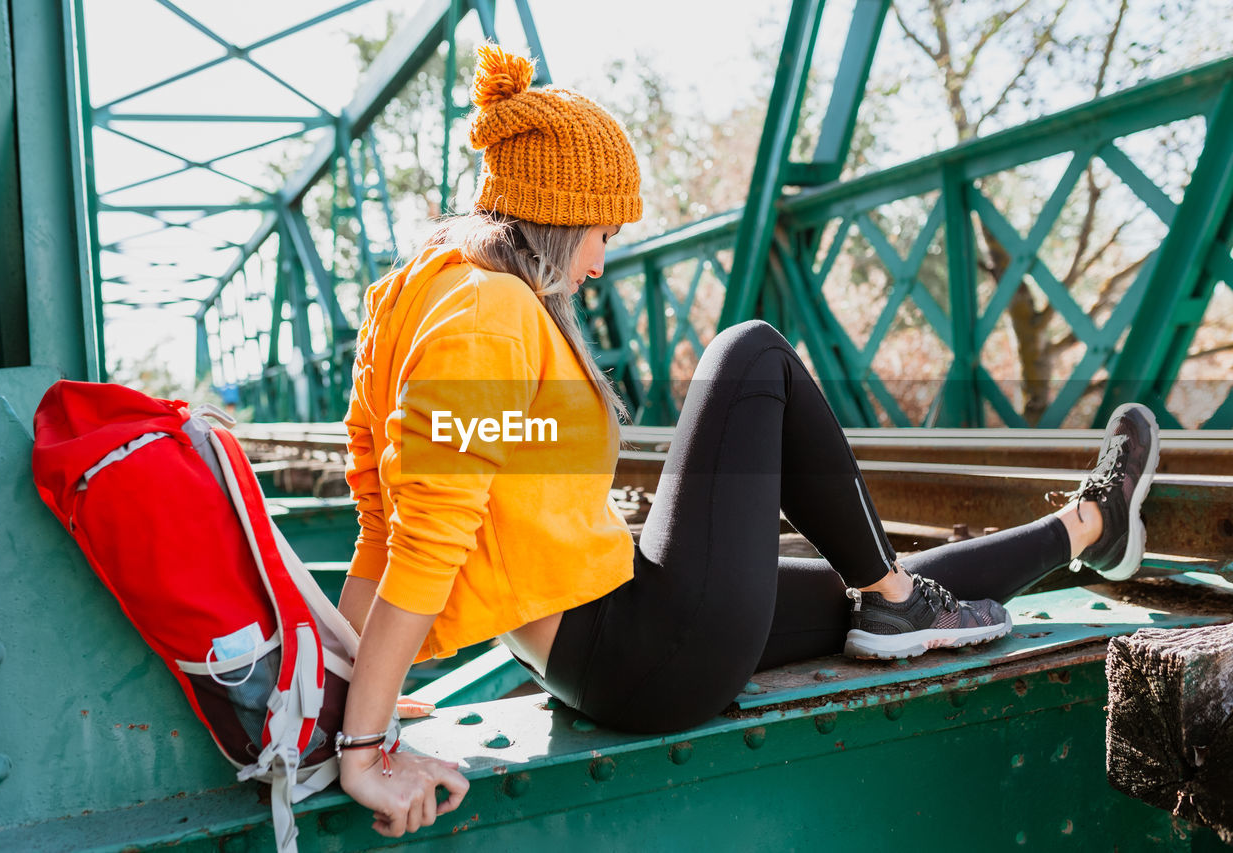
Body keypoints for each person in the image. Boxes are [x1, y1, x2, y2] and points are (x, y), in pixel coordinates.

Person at [332, 43, 1161, 838]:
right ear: (562, 217)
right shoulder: (488, 310)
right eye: (603, 233)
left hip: (606, 636)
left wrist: (350, 685)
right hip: (632, 647)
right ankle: (899, 595)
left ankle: (1091, 525)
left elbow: (379, 517)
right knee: (752, 350)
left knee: (862, 603)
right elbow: (426, 534)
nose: (599, 263)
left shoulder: (412, 297)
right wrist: (362, 742)